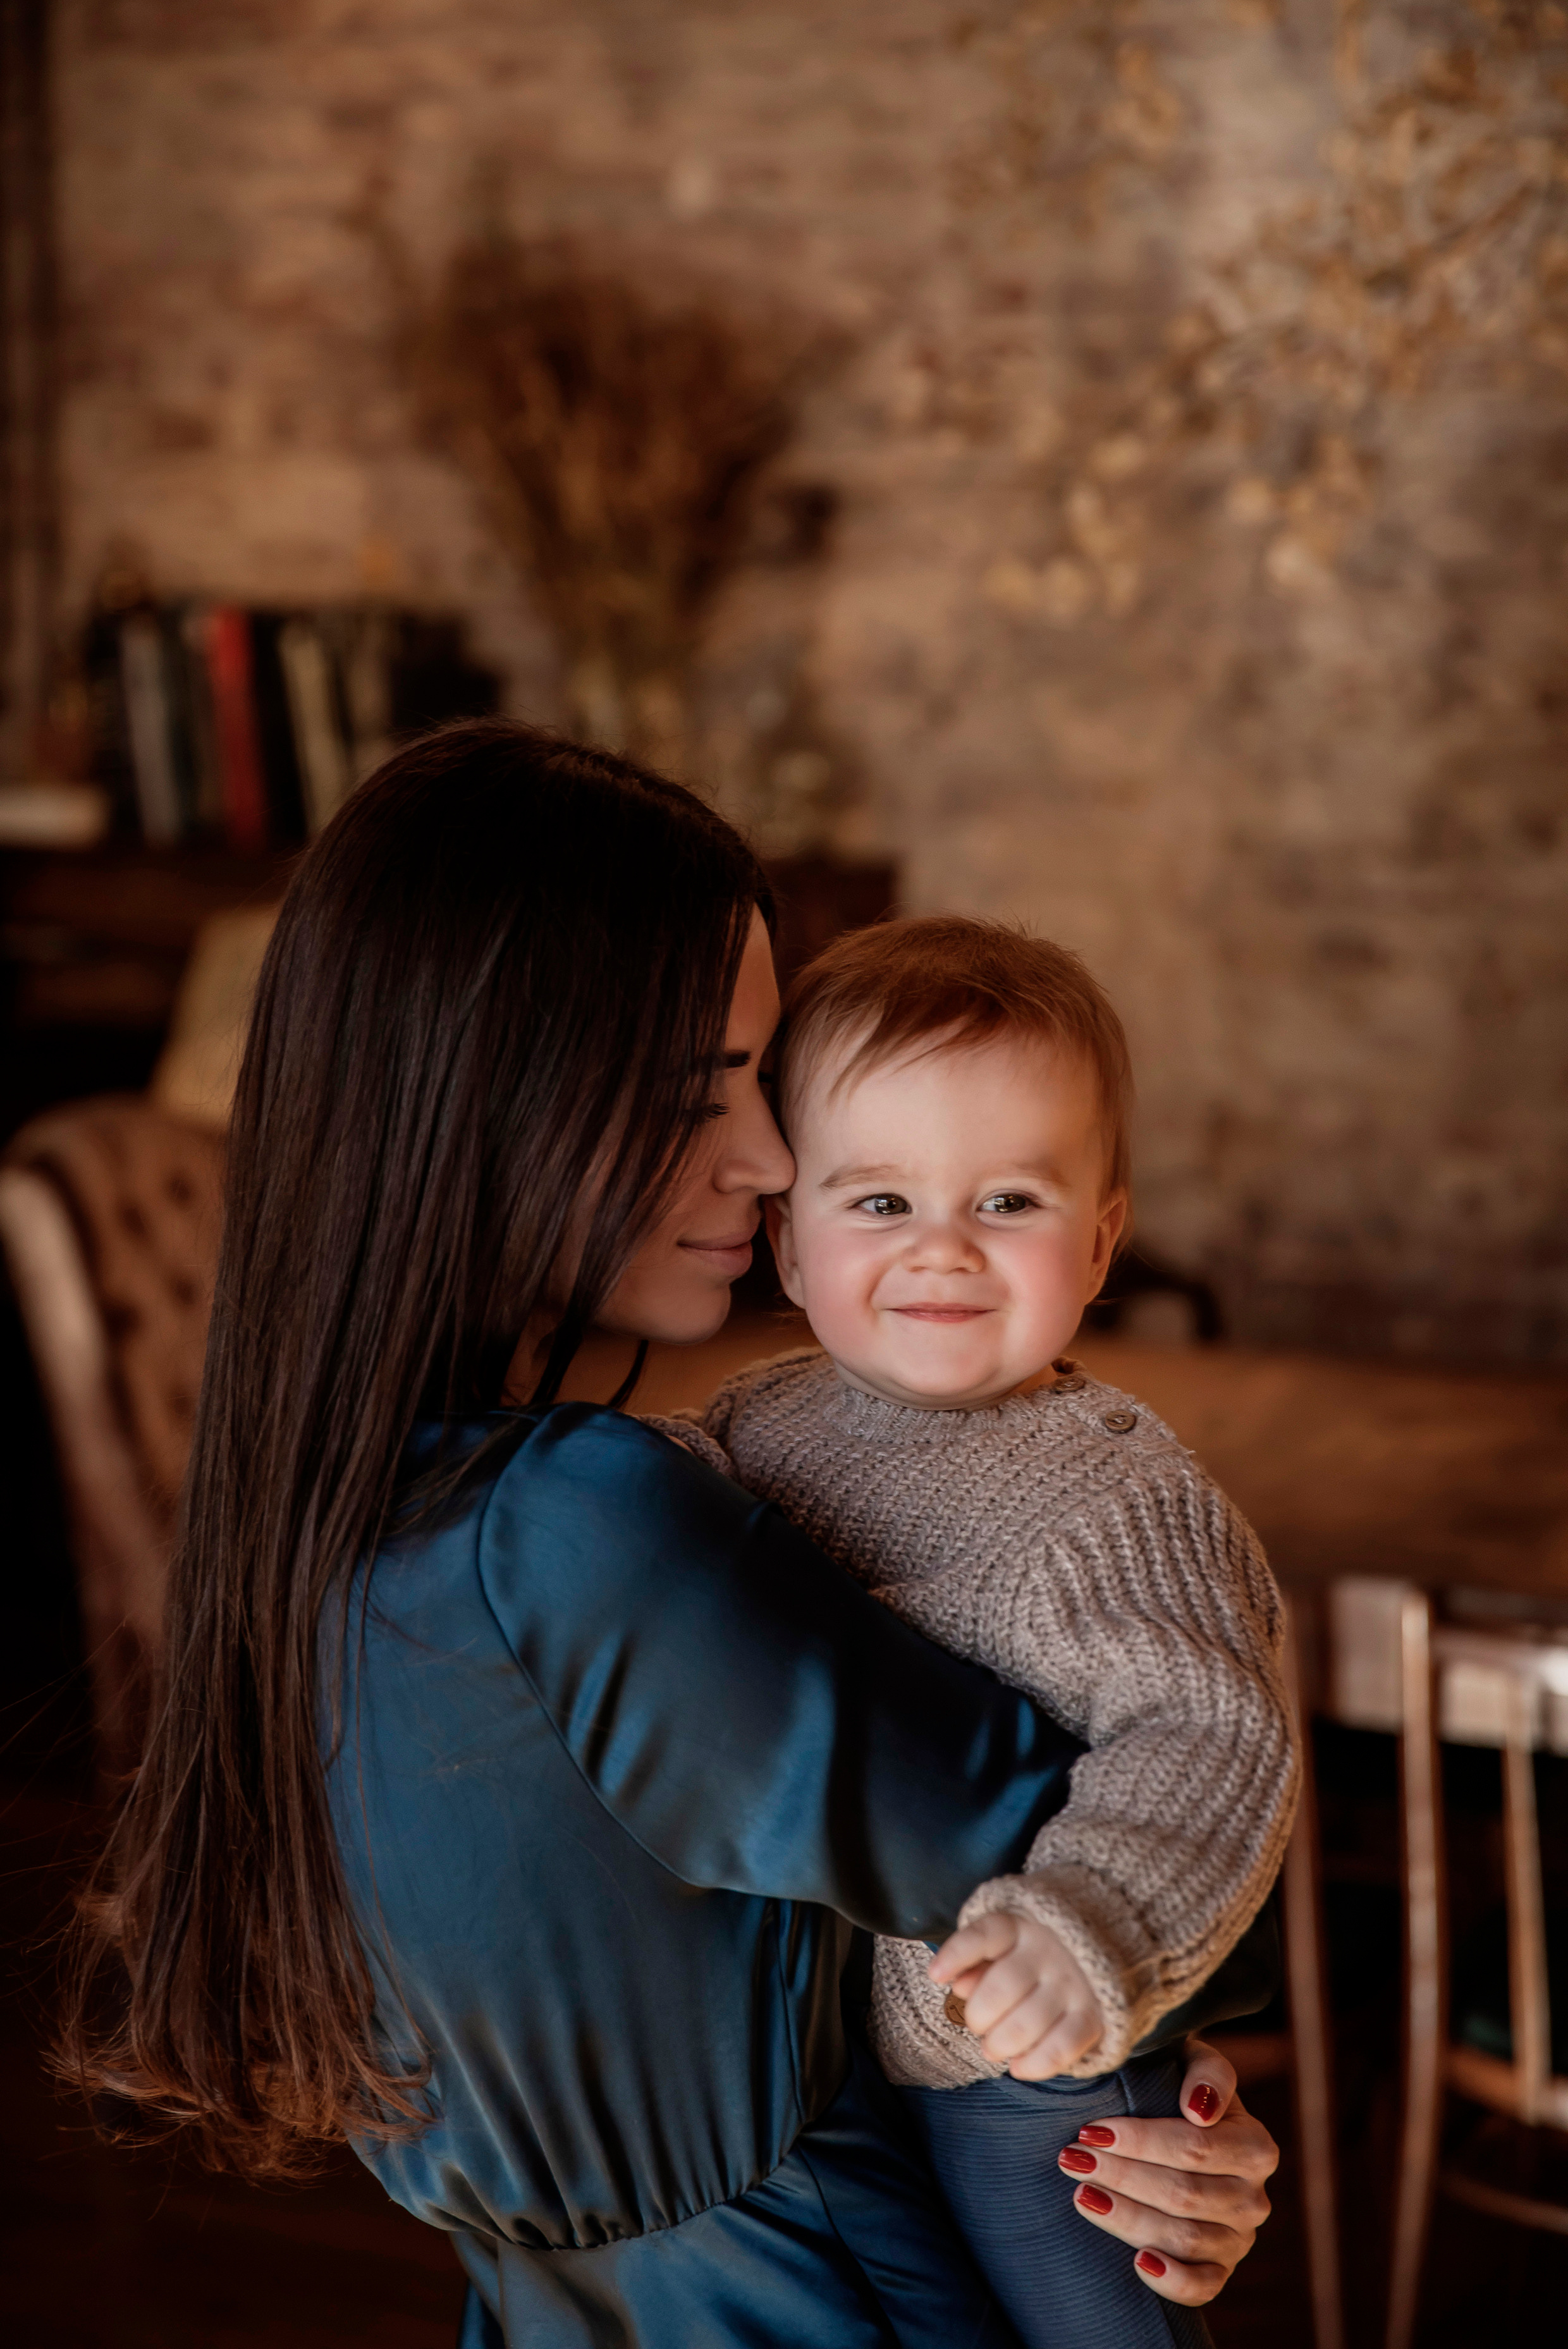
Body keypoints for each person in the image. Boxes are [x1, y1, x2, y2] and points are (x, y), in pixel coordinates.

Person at [61, 721, 1279, 2349]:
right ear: (499, 1098)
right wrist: (1151, 2068)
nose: (772, 1162)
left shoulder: (320, 1530)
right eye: (703, 1093)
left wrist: (1125, 2073)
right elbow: (1047, 1836)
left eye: (762, 1090)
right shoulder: (581, 1526)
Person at [657, 915, 1299, 2348]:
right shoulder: (745, 1433)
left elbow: (1210, 1737)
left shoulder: (1121, 1502)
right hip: (815, 2077)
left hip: (1033, 2070)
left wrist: (1092, 1929)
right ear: (787, 1241)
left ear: (1102, 1240)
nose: (941, 1248)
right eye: (881, 1201)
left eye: (1008, 1200)